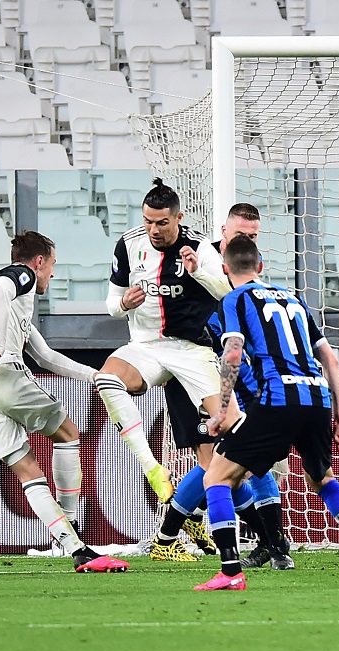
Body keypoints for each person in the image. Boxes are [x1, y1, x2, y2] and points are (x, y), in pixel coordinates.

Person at [193, 235, 339, 591]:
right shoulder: (294, 298)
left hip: (278, 398)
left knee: (216, 478)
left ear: (225, 269)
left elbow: (233, 353)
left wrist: (221, 411)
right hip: (317, 398)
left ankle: (230, 571)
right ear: (261, 266)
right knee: (321, 477)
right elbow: (331, 360)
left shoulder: (234, 299)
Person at [0, 230, 129, 574]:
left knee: (28, 471)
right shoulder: (20, 276)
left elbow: (46, 356)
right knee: (68, 434)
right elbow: (3, 288)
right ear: (39, 262)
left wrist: (94, 376)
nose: (51, 273)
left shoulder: (12, 310)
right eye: (52, 265)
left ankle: (74, 549)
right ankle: (72, 524)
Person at [152, 204, 295, 570]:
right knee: (220, 462)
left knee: (238, 462)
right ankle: (270, 543)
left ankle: (174, 536)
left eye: (253, 235)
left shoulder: (248, 269)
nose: (247, 240)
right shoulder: (197, 257)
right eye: (241, 234)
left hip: (240, 379)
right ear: (223, 232)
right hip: (194, 373)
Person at [95, 178, 233, 503]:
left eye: (161, 223)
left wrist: (197, 272)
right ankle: (152, 468)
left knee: (230, 430)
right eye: (148, 221)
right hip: (146, 347)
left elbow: (227, 293)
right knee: (106, 379)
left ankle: (237, 515)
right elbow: (111, 304)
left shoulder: (198, 247)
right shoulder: (128, 245)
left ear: (178, 218)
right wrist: (123, 304)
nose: (153, 230)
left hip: (191, 350)